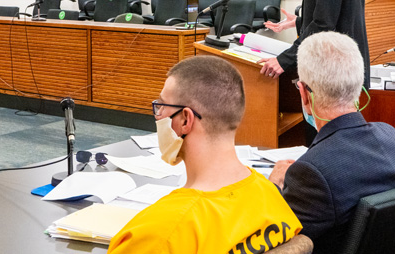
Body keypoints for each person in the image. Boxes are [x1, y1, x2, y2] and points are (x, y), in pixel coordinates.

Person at [108, 55, 312, 254]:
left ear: (186, 120)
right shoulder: (269, 195)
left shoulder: (159, 234)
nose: (158, 114)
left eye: (162, 106)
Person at [269, 31, 395, 254]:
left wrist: (273, 186)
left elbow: (271, 237)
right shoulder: (391, 137)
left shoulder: (310, 173)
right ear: (358, 87)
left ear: (305, 94)